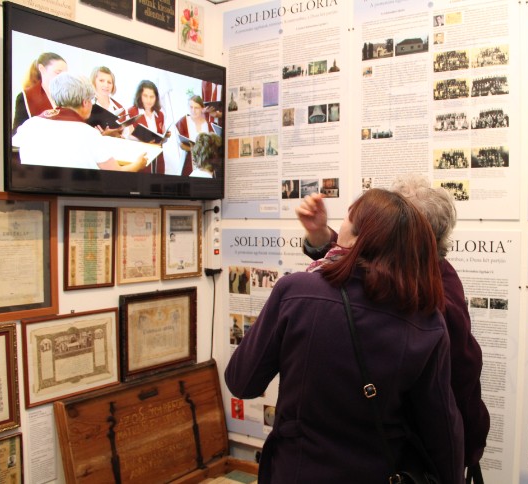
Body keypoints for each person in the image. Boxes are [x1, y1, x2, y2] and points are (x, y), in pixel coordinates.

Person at [226, 189, 464, 483]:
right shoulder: (426, 320)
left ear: (358, 238)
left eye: (346, 219)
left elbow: (242, 381)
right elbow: (442, 428)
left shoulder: (295, 292)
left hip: (297, 471)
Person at [295, 174, 490, 474]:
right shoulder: (420, 272)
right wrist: (321, 235)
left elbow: (460, 383)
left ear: (405, 234)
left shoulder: (431, 299)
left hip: (413, 455)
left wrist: (463, 456)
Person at [12, 73, 147, 172]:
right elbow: (116, 173)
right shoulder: (89, 134)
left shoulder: (29, 125)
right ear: (85, 103)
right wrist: (138, 164)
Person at [12, 52, 68, 135]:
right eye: (58, 72)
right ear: (42, 69)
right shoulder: (26, 97)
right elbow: (16, 133)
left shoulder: (68, 96)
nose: (63, 77)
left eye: (66, 74)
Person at [127, 80, 169, 174]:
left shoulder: (160, 114)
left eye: (152, 97)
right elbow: (128, 136)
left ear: (156, 98)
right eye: (145, 96)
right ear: (140, 96)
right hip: (140, 157)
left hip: (157, 157)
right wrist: (143, 140)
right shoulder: (131, 112)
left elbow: (162, 137)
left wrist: (165, 136)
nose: (149, 100)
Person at [176, 95, 212, 176]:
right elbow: (181, 144)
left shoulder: (208, 124)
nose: (193, 110)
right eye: (191, 107)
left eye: (196, 108)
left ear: (202, 108)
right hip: (189, 161)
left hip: (205, 163)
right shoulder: (183, 121)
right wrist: (194, 149)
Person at [88, 66, 125, 136]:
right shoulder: (86, 105)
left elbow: (126, 136)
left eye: (109, 82)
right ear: (93, 82)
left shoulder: (120, 108)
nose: (106, 85)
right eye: (101, 81)